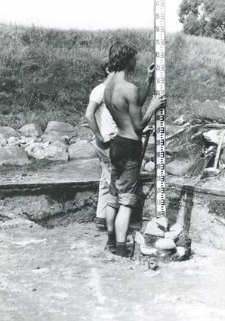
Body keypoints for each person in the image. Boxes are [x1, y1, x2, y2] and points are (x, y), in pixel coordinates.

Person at [104, 41, 167, 257]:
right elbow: (139, 125)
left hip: (116, 144)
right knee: (127, 201)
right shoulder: (129, 88)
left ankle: (111, 243)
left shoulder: (109, 85)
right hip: (130, 146)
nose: (136, 61)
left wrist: (148, 83)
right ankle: (122, 251)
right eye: (134, 58)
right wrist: (154, 106)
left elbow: (132, 107)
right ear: (126, 59)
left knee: (113, 197)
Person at [85, 60, 117, 230]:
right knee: (113, 180)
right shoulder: (100, 90)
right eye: (117, 70)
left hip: (114, 141)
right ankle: (112, 223)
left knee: (107, 178)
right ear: (107, 70)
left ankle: (101, 217)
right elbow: (89, 114)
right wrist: (100, 135)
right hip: (107, 143)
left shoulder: (113, 90)